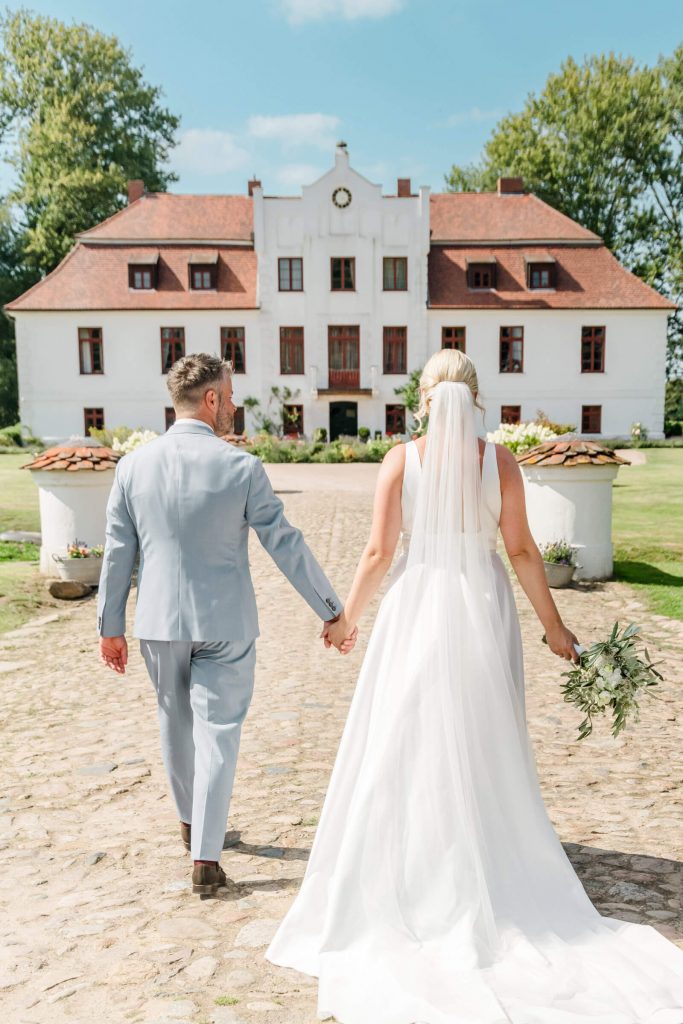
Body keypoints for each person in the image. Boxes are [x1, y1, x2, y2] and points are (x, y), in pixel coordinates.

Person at [265, 349, 683, 1022]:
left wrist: (347, 620)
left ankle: (414, 866)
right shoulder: (500, 463)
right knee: (483, 732)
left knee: (405, 734)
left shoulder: (400, 460)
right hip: (481, 606)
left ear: (425, 400)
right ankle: (483, 851)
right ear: (477, 398)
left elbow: (378, 552)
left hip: (416, 604)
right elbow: (520, 550)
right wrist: (554, 627)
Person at [97, 353, 355, 895]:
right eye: (231, 395)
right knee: (218, 734)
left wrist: (110, 625)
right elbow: (284, 543)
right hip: (226, 623)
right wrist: (331, 609)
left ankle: (192, 826)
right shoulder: (242, 468)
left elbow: (119, 550)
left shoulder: (133, 467)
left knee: (174, 724)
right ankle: (205, 858)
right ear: (211, 398)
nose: (234, 405)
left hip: (159, 622)